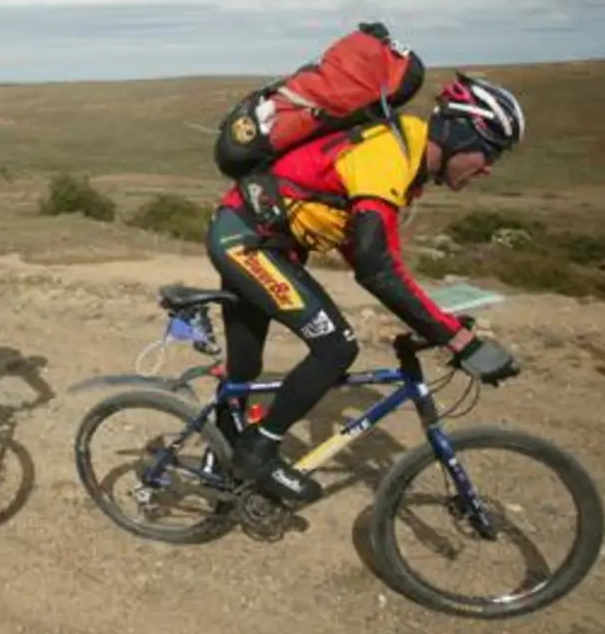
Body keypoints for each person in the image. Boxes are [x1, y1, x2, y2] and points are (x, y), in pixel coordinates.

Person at [204, 72, 526, 504]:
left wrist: (438, 324)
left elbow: (369, 255)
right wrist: (457, 339)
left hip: (262, 240)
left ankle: (220, 471)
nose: (486, 168)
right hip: (246, 242)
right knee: (336, 346)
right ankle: (258, 451)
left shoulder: (403, 155)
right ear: (457, 132)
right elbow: (377, 267)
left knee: (244, 370)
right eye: (488, 152)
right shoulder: (388, 154)